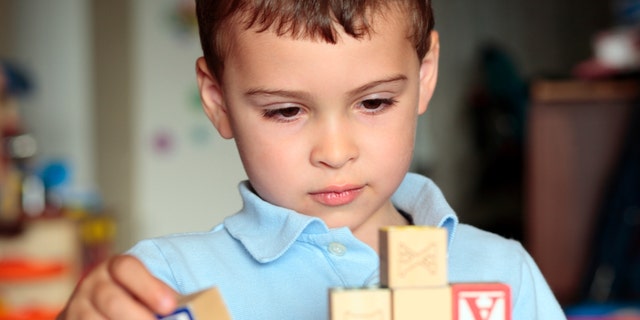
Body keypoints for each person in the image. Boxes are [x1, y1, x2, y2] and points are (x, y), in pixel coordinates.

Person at [58, 0, 566, 319]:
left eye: (373, 103)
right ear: (218, 101)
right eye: (285, 111)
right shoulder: (164, 282)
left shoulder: (504, 272)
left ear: (425, 75)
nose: (335, 153)